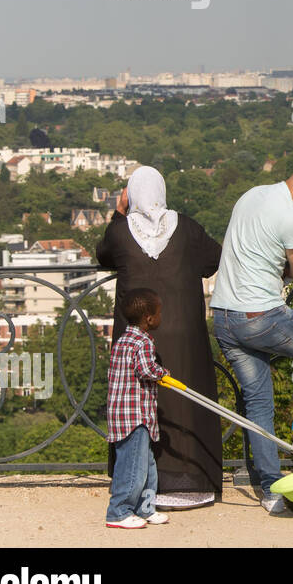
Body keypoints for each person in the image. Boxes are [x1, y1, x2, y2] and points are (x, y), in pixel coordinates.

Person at [210, 160, 293, 514]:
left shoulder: (251, 195)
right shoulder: (291, 218)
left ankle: (271, 490)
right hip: (260, 317)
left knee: (258, 404)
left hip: (223, 317)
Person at [97, 166, 223, 510]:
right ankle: (193, 482)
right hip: (184, 330)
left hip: (136, 332)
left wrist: (118, 213)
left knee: (138, 405)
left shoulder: (121, 233)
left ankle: (138, 487)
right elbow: (213, 259)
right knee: (187, 402)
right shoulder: (188, 229)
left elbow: (102, 255)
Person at [106, 288, 170, 529]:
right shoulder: (142, 341)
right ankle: (118, 511)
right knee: (133, 466)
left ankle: (145, 508)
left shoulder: (123, 339)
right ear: (149, 319)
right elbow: (145, 370)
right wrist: (162, 373)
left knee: (146, 464)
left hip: (125, 413)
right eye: (159, 312)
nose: (161, 316)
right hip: (134, 415)